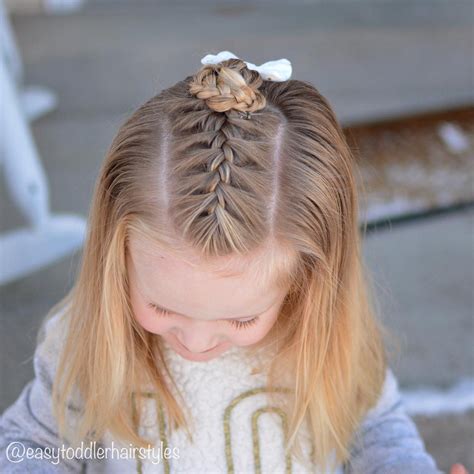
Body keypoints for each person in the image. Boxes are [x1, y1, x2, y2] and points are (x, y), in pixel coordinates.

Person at [0, 50, 462, 473]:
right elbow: (30, 444)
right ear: (114, 258)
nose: (197, 342)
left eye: (241, 318)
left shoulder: (322, 341)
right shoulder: (85, 340)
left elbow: (375, 432)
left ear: (306, 284)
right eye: (162, 308)